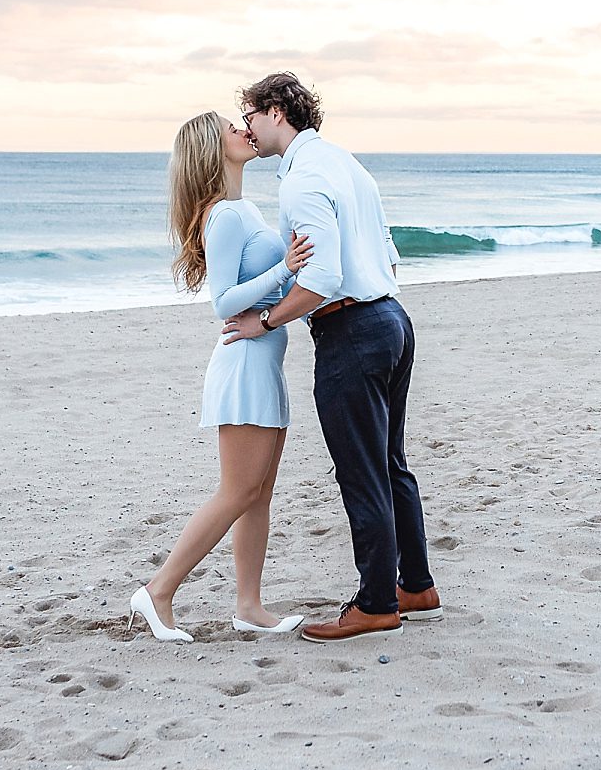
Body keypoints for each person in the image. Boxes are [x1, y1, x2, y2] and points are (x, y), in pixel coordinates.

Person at [222, 72, 442, 642]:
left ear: (274, 112)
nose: (246, 127)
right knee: (390, 462)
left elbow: (321, 278)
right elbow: (387, 253)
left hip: (352, 327)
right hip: (392, 317)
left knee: (362, 470)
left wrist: (264, 320)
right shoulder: (347, 164)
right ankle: (414, 585)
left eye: (248, 115)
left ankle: (375, 603)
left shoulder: (301, 182)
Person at [127, 110, 315, 643]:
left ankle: (249, 606)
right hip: (243, 362)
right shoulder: (224, 218)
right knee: (237, 491)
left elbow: (266, 294)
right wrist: (288, 268)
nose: (244, 131)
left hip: (264, 358)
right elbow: (224, 301)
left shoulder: (243, 208)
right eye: (232, 128)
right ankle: (159, 591)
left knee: (259, 493)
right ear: (214, 147)